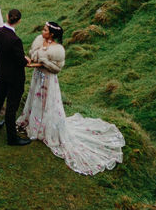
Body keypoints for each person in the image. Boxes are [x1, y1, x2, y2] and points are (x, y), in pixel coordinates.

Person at [21, 22, 125, 175]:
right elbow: (32, 53)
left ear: (52, 34)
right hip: (38, 76)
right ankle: (34, 122)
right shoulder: (38, 40)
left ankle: (46, 129)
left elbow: (57, 69)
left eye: (45, 30)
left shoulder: (58, 50)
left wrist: (44, 61)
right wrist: (36, 58)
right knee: (36, 100)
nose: (42, 32)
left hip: (49, 79)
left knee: (47, 103)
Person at [0, 8, 30, 145]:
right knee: (12, 106)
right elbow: (20, 61)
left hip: (2, 72)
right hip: (15, 77)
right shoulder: (15, 40)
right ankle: (12, 138)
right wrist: (26, 60)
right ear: (19, 21)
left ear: (7, 16)